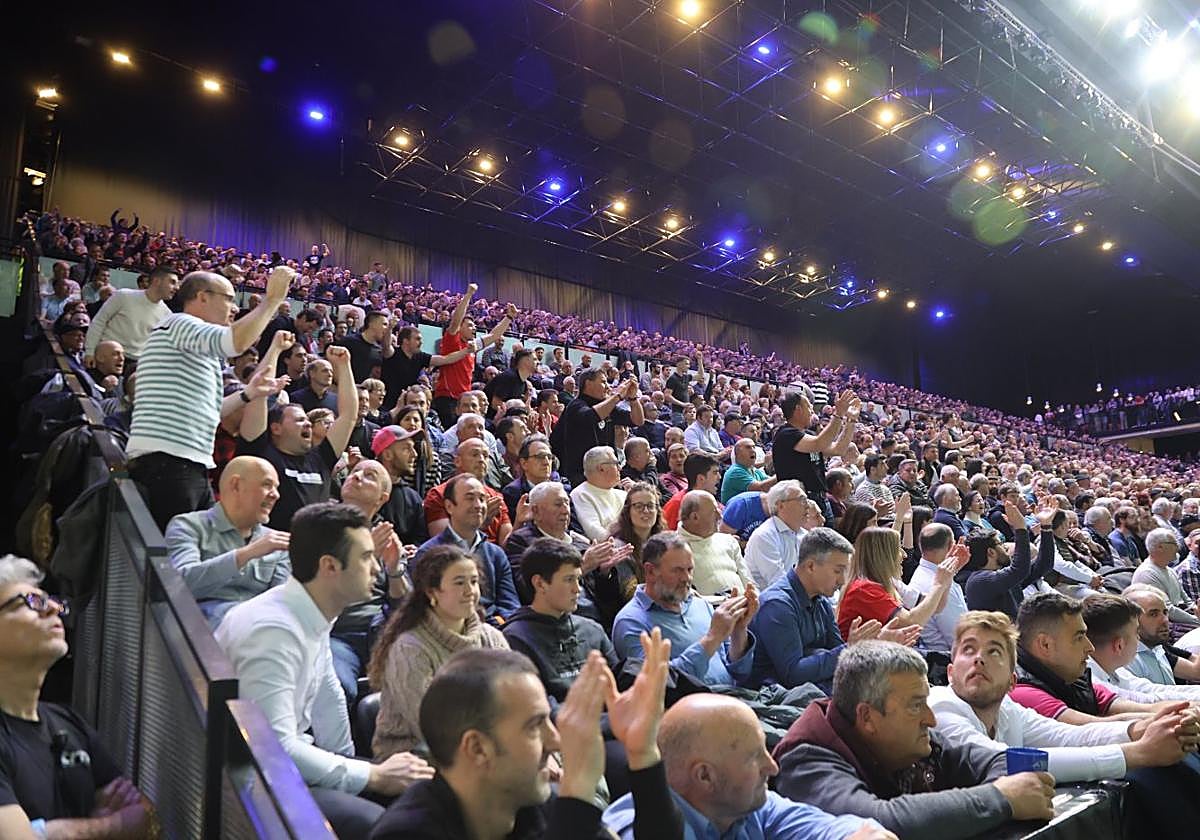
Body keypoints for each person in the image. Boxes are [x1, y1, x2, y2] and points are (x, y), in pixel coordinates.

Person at [215, 502, 434, 836]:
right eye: (365, 557)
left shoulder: (310, 611)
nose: (376, 568)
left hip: (287, 768)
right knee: (381, 823)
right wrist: (372, 777)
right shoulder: (272, 630)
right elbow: (273, 748)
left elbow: (328, 699)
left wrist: (359, 769)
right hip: (249, 786)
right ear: (330, 566)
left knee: (422, 792)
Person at [369, 635, 683, 840]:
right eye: (535, 725)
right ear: (477, 748)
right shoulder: (406, 834)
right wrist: (577, 792)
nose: (556, 741)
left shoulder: (533, 802)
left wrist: (643, 754)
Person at [772, 641, 1055, 838]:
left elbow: (993, 761)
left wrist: (1012, 791)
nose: (930, 720)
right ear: (867, 717)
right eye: (915, 705)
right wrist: (999, 799)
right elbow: (876, 824)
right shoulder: (806, 758)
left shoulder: (909, 739)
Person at [930, 610, 1192, 783]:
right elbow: (1001, 761)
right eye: (968, 650)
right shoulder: (941, 707)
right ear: (951, 673)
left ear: (1011, 681)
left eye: (994, 651)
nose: (979, 659)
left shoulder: (1009, 708)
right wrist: (1137, 752)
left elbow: (1069, 736)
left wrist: (1142, 728)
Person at [0, 555, 159, 838]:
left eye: (53, 601)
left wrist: (52, 832)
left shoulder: (68, 721)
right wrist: (111, 826)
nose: (53, 609)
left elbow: (144, 816)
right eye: (31, 602)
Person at [127, 266, 293, 531]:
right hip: (168, 463)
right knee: (171, 563)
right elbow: (234, 343)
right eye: (228, 298)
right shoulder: (180, 323)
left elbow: (212, 412)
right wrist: (271, 300)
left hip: (186, 463)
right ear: (202, 297)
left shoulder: (194, 346)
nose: (234, 307)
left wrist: (249, 394)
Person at [604, 693, 891, 840]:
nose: (772, 767)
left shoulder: (747, 806)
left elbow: (830, 828)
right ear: (705, 776)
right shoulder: (632, 831)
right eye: (754, 757)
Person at [369, 544, 510, 760]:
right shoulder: (410, 649)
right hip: (415, 756)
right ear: (432, 592)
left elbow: (517, 698)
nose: (470, 591)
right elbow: (433, 727)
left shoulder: (491, 637)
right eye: (459, 583)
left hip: (484, 748)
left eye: (473, 582)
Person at [750, 528, 919, 692]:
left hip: (817, 688)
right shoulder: (778, 605)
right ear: (811, 566)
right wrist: (852, 648)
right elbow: (793, 673)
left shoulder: (820, 600)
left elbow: (840, 655)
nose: (843, 579)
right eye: (838, 571)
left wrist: (877, 644)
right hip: (776, 697)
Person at [612, 532, 756, 689]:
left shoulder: (701, 606)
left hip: (738, 699)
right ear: (650, 571)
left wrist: (738, 631)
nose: (686, 578)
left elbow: (740, 673)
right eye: (677, 570)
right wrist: (712, 638)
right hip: (690, 709)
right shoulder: (630, 622)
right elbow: (658, 687)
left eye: (690, 569)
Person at [239, 345, 358, 530]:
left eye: (307, 420)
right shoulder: (260, 453)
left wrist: (344, 365)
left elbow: (349, 415)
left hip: (312, 554)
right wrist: (276, 349)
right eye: (299, 420)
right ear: (276, 428)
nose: (308, 423)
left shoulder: (321, 458)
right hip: (271, 553)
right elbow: (258, 394)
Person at [165, 455, 291, 628]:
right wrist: (246, 554)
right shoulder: (188, 525)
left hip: (260, 627)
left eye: (276, 488)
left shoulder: (276, 542)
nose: (275, 495)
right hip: (201, 629)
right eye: (266, 485)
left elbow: (281, 602)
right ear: (236, 485)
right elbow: (180, 585)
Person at [502, 539, 620, 705]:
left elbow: (619, 688)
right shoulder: (515, 639)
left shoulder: (593, 630)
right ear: (540, 583)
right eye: (568, 579)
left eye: (578, 580)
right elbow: (541, 710)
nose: (577, 589)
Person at [417, 475, 519, 624]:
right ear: (449, 506)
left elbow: (510, 606)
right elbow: (423, 610)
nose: (478, 505)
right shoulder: (429, 554)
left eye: (482, 499)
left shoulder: (496, 554)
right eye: (470, 498)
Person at [836, 528, 957, 642]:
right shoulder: (864, 589)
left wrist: (948, 573)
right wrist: (939, 584)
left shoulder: (890, 583)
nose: (904, 555)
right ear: (883, 556)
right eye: (898, 548)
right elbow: (912, 623)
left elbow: (938, 605)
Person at [1081, 593, 1200, 702]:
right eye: (1136, 632)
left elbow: (1152, 690)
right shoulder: (1089, 679)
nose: (1165, 620)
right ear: (1119, 645)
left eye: (1165, 612)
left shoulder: (1116, 668)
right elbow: (1143, 700)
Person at [431, 284, 514, 428]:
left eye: (474, 325)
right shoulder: (452, 341)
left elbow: (494, 335)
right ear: (460, 329)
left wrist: (509, 317)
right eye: (469, 325)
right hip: (447, 399)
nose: (474, 328)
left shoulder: (472, 346)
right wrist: (469, 294)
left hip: (464, 399)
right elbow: (456, 320)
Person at [771, 388, 856, 525]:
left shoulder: (806, 435)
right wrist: (838, 414)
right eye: (809, 406)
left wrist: (851, 421)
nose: (812, 411)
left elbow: (838, 449)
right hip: (800, 501)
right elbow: (819, 443)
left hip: (820, 498)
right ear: (798, 409)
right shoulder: (786, 434)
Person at [555, 368, 643, 488]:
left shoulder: (608, 407)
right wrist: (617, 395)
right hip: (583, 477)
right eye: (603, 382)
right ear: (588, 383)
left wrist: (633, 399)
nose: (607, 386)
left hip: (608, 473)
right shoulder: (575, 405)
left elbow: (637, 420)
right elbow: (591, 417)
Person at [83, 265, 178, 363]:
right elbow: (99, 322)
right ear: (157, 281)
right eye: (172, 282)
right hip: (106, 356)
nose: (177, 288)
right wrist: (90, 352)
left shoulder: (167, 314)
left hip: (136, 363)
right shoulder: (123, 296)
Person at [907, 523, 970, 652]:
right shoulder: (937, 583)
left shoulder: (923, 573)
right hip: (948, 659)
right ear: (951, 546)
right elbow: (959, 637)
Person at [676, 491, 751, 597]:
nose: (720, 516)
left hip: (746, 607)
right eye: (714, 511)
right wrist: (724, 601)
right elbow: (687, 599)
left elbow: (749, 583)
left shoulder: (728, 541)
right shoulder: (674, 550)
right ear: (695, 517)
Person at [1123, 583, 1200, 685]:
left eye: (1165, 613)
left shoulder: (1157, 647)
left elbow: (1197, 671)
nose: (1165, 620)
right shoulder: (1124, 660)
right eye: (1153, 614)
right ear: (1131, 620)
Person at [381, 326, 472, 410]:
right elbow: (386, 346)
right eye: (417, 339)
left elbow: (446, 359)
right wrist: (389, 328)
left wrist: (467, 350)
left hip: (408, 406)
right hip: (387, 405)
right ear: (406, 341)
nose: (421, 342)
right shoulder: (393, 353)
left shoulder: (420, 356)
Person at [371, 425, 431, 545]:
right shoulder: (363, 490)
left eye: (413, 448)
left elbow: (421, 539)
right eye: (406, 449)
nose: (415, 454)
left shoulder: (413, 498)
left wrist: (414, 550)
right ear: (387, 455)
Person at [743, 480, 808, 589]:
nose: (807, 505)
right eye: (802, 500)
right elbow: (779, 583)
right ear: (780, 505)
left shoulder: (805, 535)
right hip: (771, 601)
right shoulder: (764, 536)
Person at [1131, 528, 1200, 629]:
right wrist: (1196, 620)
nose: (1178, 547)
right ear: (1160, 547)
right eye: (1174, 543)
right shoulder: (1147, 573)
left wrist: (1195, 609)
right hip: (1165, 625)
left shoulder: (1169, 569)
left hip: (1182, 619)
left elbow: (1185, 598)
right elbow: (1168, 610)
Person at [570, 446, 629, 542]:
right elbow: (596, 534)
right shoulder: (581, 495)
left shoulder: (623, 494)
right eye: (616, 463)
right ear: (601, 468)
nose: (620, 468)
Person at [661, 453, 721, 531]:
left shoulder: (711, 499)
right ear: (701, 478)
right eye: (715, 473)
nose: (719, 477)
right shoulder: (677, 504)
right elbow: (666, 537)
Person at [337, 310, 395, 383]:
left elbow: (388, 351)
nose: (387, 329)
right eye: (384, 324)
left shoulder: (379, 350)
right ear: (371, 324)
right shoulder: (348, 342)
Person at [720, 438, 776, 504]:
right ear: (737, 452)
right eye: (748, 447)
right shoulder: (735, 471)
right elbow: (762, 487)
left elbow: (773, 484)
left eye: (753, 447)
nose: (753, 450)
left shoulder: (754, 470)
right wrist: (783, 472)